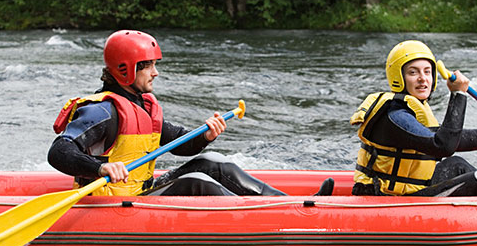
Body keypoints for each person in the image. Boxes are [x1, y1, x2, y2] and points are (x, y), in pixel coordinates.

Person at [48, 30, 333, 197]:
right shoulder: (102, 110)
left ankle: (290, 206)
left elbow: (179, 143)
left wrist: (205, 135)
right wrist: (100, 167)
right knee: (195, 183)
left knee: (213, 163)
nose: (155, 72)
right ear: (126, 69)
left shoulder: (143, 105)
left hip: (143, 190)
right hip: (114, 204)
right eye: (147, 66)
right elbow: (59, 150)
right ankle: (266, 219)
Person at [350, 40, 477, 197]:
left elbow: (453, 139)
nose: (422, 79)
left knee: (457, 165)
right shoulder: (396, 116)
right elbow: (444, 146)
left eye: (427, 72)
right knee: (474, 180)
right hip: (386, 199)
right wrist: (458, 95)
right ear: (398, 77)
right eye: (413, 72)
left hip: (407, 191)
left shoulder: (410, 110)